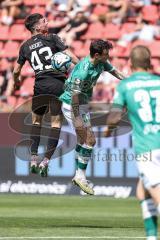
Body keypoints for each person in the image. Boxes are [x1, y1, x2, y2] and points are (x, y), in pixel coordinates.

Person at [13, 13, 79, 177]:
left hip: (40, 86)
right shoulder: (52, 38)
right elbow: (70, 56)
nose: (47, 22)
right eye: (44, 21)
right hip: (58, 84)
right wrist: (82, 66)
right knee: (56, 124)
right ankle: (46, 162)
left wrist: (16, 82)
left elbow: (16, 70)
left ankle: (34, 158)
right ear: (36, 27)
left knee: (36, 121)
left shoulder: (25, 46)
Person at [106, 45, 160, 240]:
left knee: (155, 191)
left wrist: (107, 130)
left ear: (130, 63)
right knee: (142, 190)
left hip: (148, 147)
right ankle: (151, 236)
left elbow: (113, 118)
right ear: (150, 63)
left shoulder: (126, 85)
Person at [59, 39, 125, 195]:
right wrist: (78, 119)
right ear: (97, 55)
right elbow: (74, 96)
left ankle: (78, 175)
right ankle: (80, 176)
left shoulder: (101, 63)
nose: (108, 56)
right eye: (106, 53)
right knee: (90, 140)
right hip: (72, 105)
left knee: (83, 140)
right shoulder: (83, 70)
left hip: (82, 104)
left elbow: (115, 72)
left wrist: (130, 82)